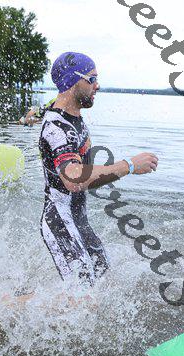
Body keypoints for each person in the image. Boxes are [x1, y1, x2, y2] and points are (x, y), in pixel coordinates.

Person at [39, 52, 158, 286]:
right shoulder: (58, 129)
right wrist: (129, 165)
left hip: (78, 219)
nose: (98, 85)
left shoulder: (70, 113)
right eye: (92, 79)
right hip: (60, 222)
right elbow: (73, 178)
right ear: (72, 81)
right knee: (83, 297)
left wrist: (35, 114)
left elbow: (52, 105)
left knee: (103, 282)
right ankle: (3, 305)